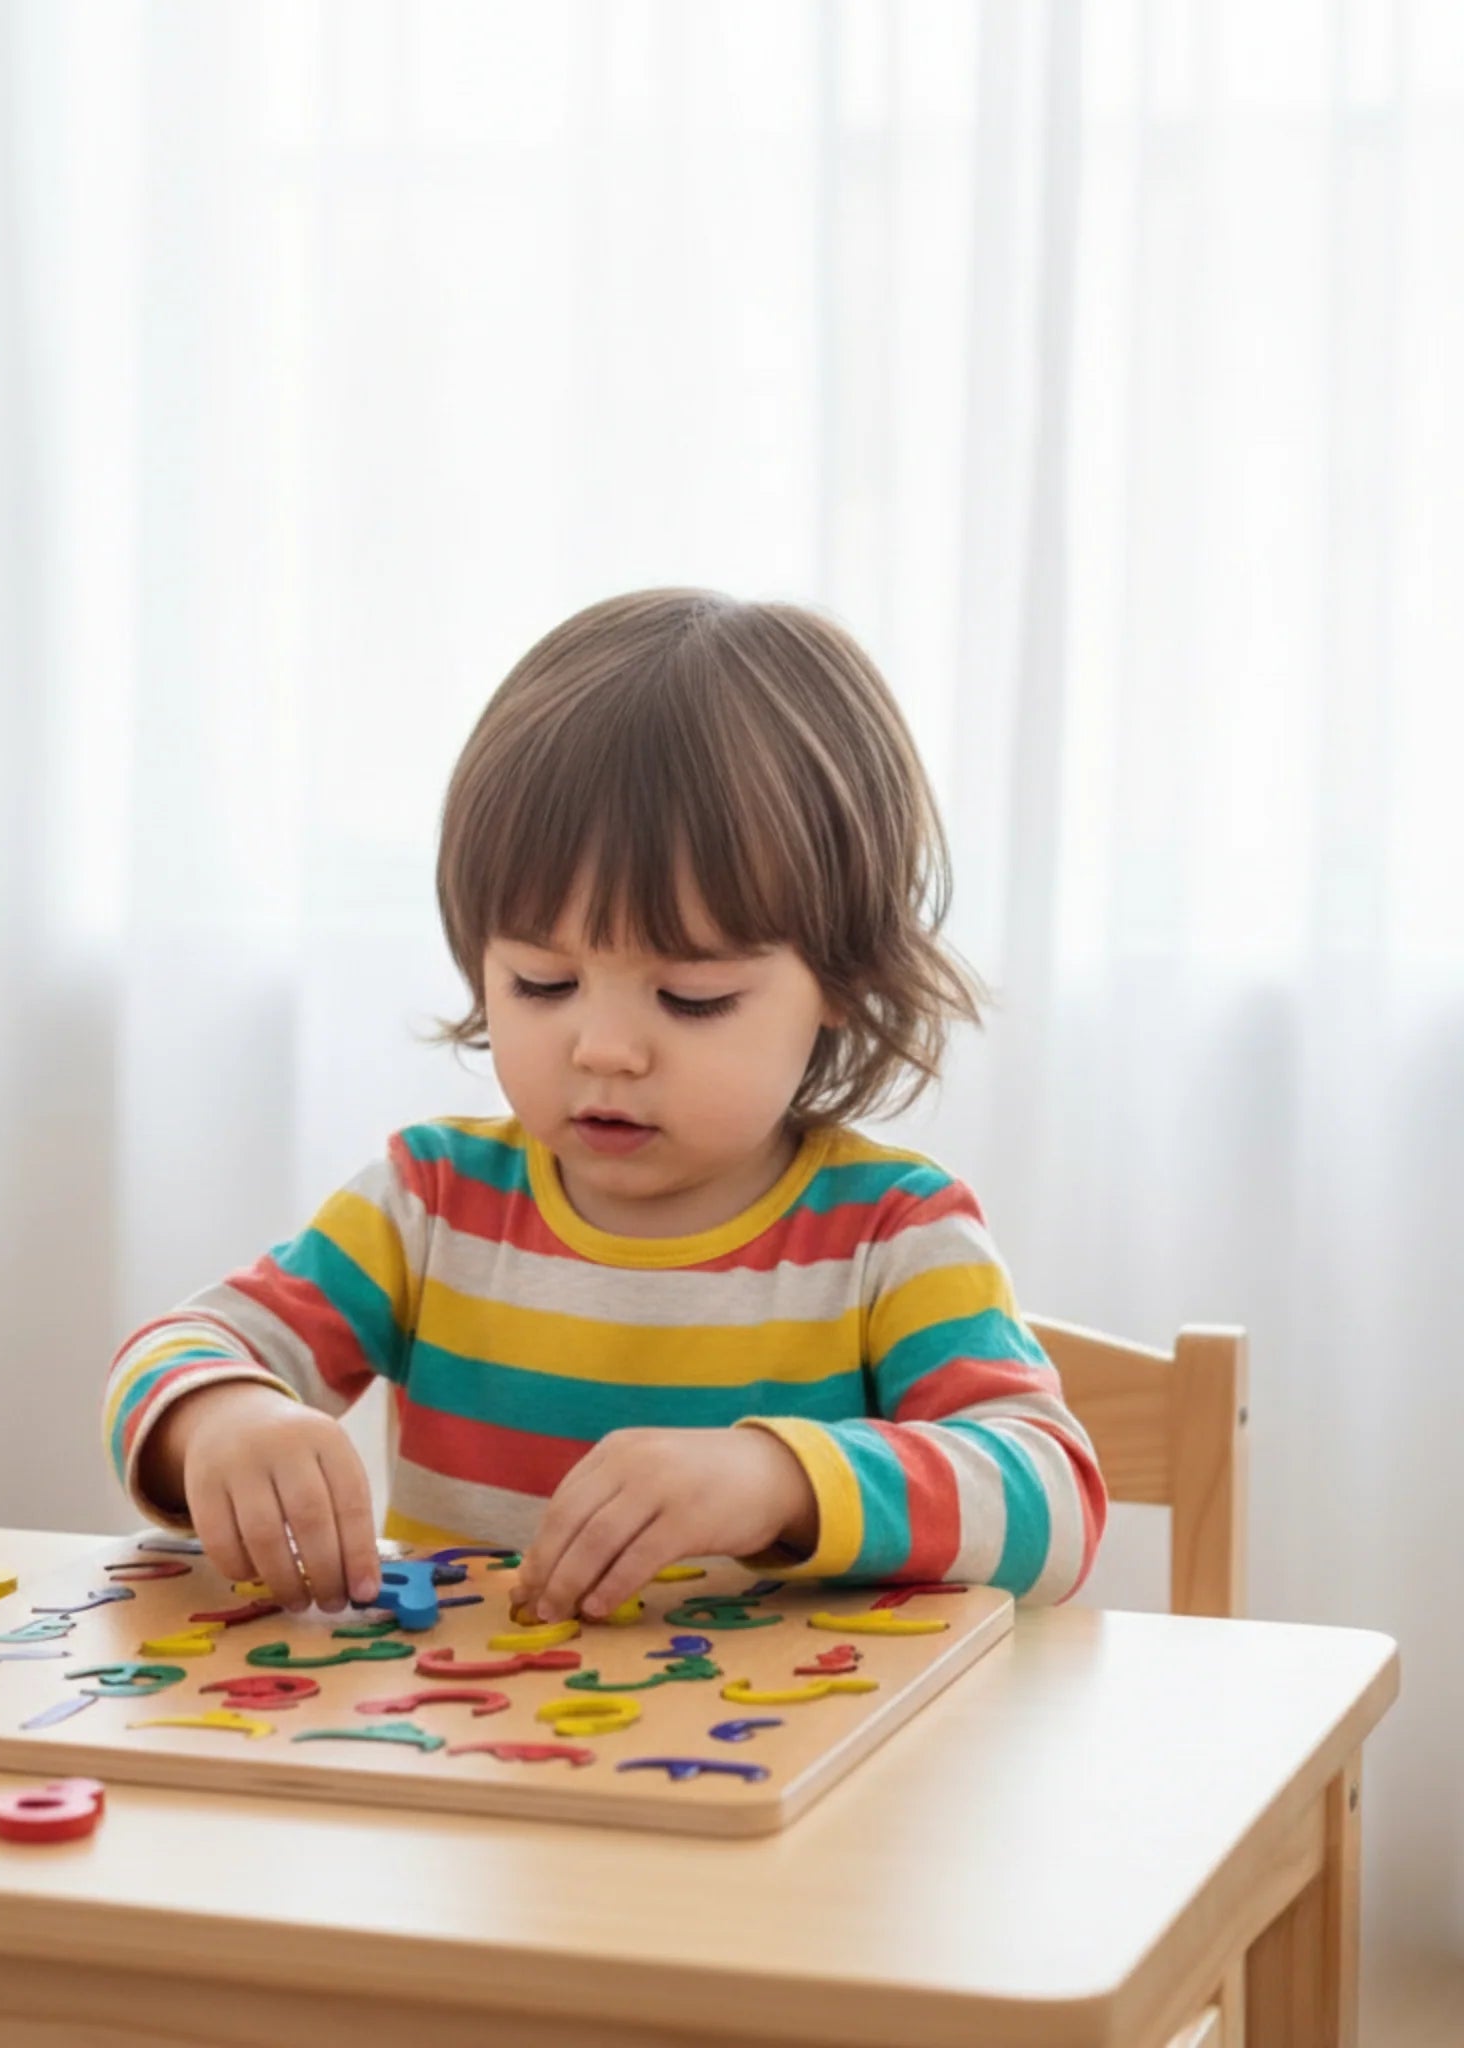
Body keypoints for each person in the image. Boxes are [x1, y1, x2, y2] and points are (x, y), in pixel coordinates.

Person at [103, 588, 1107, 1624]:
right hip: (467, 1759)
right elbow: (178, 1348)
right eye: (541, 981)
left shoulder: (890, 1233)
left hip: (799, 1774)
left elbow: (1053, 1500)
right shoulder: (431, 1202)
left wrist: (777, 1478)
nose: (604, 1048)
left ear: (842, 982)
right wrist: (220, 1415)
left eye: (692, 997)